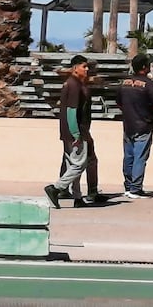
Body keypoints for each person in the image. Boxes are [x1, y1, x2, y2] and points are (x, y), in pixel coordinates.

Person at [43, 55, 100, 208]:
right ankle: (56, 188)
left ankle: (77, 197)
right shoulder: (74, 85)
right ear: (75, 68)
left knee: (73, 164)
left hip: (71, 131)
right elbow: (71, 111)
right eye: (84, 66)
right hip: (76, 132)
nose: (87, 69)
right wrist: (76, 134)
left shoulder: (73, 84)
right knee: (79, 165)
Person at [115, 54, 153, 199]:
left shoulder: (124, 83)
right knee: (140, 157)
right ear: (144, 67)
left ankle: (128, 187)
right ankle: (136, 189)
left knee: (128, 156)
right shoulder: (149, 84)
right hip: (144, 126)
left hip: (128, 126)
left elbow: (119, 103)